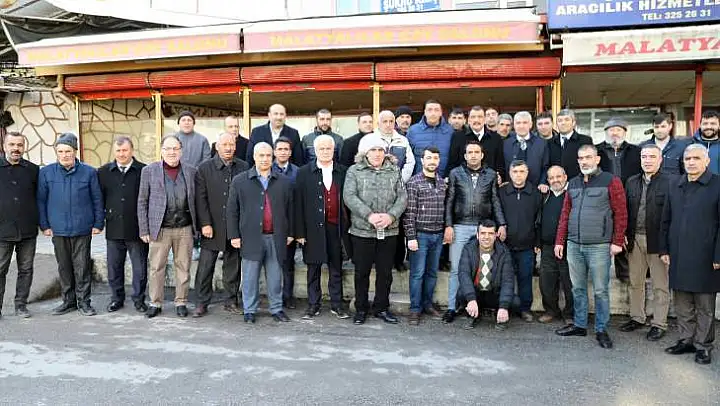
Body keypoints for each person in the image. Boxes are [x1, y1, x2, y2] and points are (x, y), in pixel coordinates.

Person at [555, 144, 627, 349]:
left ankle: (601, 329)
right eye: (581, 158)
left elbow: (621, 213)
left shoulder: (611, 181)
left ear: (597, 159)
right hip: (574, 245)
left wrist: (617, 241)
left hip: (599, 246)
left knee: (601, 290)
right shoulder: (573, 183)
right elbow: (565, 214)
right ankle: (579, 325)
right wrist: (560, 240)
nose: (584, 161)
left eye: (588, 157)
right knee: (577, 288)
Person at [661, 144, 720, 365]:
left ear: (707, 161)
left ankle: (703, 346)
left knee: (704, 306)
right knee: (682, 303)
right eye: (687, 159)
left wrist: (718, 255)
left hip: (706, 255)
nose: (691, 162)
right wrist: (664, 249)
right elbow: (666, 219)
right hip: (678, 253)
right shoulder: (675, 184)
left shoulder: (717, 184)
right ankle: (686, 340)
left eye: (696, 158)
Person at [38, 133, 104, 317]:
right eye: (60, 151)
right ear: (56, 152)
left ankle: (84, 302)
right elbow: (41, 201)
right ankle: (68, 301)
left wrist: (99, 223)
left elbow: (97, 199)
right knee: (64, 267)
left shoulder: (89, 172)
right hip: (58, 229)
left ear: (75, 151)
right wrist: (44, 225)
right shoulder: (46, 173)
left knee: (82, 267)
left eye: (68, 151)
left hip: (82, 228)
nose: (64, 155)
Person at [227, 142, 294, 324]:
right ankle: (249, 310)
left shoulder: (283, 182)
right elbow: (232, 210)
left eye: (268, 155)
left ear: (273, 157)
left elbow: (291, 210)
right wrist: (234, 235)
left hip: (276, 237)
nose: (265, 159)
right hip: (250, 237)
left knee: (275, 277)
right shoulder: (240, 181)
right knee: (249, 277)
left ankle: (277, 309)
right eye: (261, 155)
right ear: (254, 157)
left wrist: (290, 233)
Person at [344, 136, 407, 325]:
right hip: (362, 231)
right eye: (373, 150)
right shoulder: (354, 171)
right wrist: (369, 215)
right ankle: (361, 309)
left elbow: (402, 197)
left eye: (380, 150)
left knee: (385, 273)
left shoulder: (394, 170)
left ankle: (381, 308)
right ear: (365, 152)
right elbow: (349, 196)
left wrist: (391, 216)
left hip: (388, 231)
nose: (377, 154)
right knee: (361, 273)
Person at [444, 140, 506, 323]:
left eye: (476, 152)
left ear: (482, 155)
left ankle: (475, 306)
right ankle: (452, 307)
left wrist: (501, 224)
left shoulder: (491, 174)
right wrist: (448, 225)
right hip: (460, 226)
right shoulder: (455, 173)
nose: (473, 155)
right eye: (469, 152)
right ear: (465, 155)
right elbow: (450, 200)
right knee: (457, 268)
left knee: (480, 268)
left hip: (483, 228)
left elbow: (495, 200)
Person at [138, 135, 198, 319]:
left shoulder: (191, 171)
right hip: (160, 228)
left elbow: (196, 199)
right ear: (162, 151)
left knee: (184, 266)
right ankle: (155, 303)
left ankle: (181, 302)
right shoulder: (149, 171)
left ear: (181, 151)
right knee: (156, 267)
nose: (172, 152)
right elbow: (142, 201)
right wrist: (144, 229)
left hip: (185, 228)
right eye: (168, 149)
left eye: (175, 148)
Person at [192, 133, 249, 317]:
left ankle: (231, 300)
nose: (228, 148)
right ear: (217, 146)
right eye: (224, 144)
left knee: (233, 266)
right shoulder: (204, 168)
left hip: (235, 227)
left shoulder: (243, 167)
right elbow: (200, 199)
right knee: (205, 267)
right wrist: (205, 224)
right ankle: (201, 302)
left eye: (231, 144)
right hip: (212, 226)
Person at [294, 135, 350, 320]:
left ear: (334, 150)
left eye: (328, 148)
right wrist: (299, 232)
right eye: (322, 149)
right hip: (312, 230)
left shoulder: (343, 171)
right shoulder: (303, 172)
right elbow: (298, 204)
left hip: (336, 228)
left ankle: (337, 305)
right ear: (315, 151)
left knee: (336, 268)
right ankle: (313, 304)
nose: (325, 152)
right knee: (313, 269)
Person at [620, 144, 671, 341]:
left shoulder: (670, 182)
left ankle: (659, 323)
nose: (647, 160)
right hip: (635, 239)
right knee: (636, 282)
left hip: (658, 241)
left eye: (652, 156)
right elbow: (625, 210)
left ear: (660, 159)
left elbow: (673, 214)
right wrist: (623, 234)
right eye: (644, 156)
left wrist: (668, 243)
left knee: (660, 285)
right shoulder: (631, 181)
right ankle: (637, 317)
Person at [97, 136, 148, 313]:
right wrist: (100, 221)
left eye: (125, 150)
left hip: (137, 228)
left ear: (132, 150)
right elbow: (99, 199)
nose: (121, 154)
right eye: (118, 151)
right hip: (114, 228)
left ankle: (139, 300)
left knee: (140, 268)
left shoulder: (144, 170)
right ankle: (116, 299)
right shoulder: (103, 172)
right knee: (114, 268)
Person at [365, 110, 415, 271]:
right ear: (378, 123)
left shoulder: (403, 140)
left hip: (397, 188)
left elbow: (410, 163)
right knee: (376, 222)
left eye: (391, 121)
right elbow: (363, 162)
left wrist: (399, 180)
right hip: (374, 189)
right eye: (384, 121)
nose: (388, 124)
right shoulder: (370, 140)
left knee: (396, 224)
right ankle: (374, 259)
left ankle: (398, 260)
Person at [404, 146, 447, 325]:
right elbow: (409, 213)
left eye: (435, 158)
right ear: (422, 160)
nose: (432, 161)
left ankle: (428, 304)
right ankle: (415, 309)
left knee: (432, 273)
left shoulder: (442, 183)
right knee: (417, 273)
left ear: (439, 161)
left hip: (438, 235)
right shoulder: (414, 183)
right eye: (429, 158)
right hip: (420, 235)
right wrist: (411, 237)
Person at [596, 117, 641, 281]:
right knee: (604, 231)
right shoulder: (596, 151)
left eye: (618, 129)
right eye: (611, 130)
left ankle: (624, 273)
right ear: (606, 132)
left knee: (624, 230)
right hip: (603, 197)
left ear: (625, 132)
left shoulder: (636, 151)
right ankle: (600, 273)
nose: (615, 133)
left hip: (630, 197)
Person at [0, 132, 39, 319]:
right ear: (4, 146)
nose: (16, 148)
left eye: (20, 145)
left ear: (24, 147)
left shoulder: (33, 170)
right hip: (2, 230)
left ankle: (21, 305)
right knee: (0, 270)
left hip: (27, 229)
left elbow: (39, 197)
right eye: (12, 144)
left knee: (26, 269)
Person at [498, 160, 542, 322]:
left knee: (525, 278)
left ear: (527, 173)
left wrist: (537, 242)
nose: (518, 175)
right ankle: (503, 307)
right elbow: (496, 213)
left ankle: (525, 309)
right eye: (515, 172)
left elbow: (539, 220)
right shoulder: (502, 192)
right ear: (510, 173)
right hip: (505, 245)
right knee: (504, 278)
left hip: (527, 246)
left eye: (522, 172)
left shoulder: (535, 193)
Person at [458, 220, 515, 330]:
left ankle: (499, 315)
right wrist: (471, 299)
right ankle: (473, 314)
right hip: (476, 292)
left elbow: (508, 280)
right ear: (477, 235)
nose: (486, 237)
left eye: (490, 233)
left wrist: (503, 306)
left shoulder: (504, 252)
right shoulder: (468, 248)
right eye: (483, 233)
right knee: (462, 294)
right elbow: (463, 274)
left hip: (494, 292)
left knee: (514, 302)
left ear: (496, 235)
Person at [537, 166, 573, 325]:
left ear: (565, 177)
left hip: (567, 247)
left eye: (558, 176)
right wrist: (538, 242)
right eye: (551, 178)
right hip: (547, 247)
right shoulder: (544, 196)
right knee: (546, 282)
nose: (555, 180)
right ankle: (551, 310)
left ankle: (570, 314)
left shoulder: (572, 194)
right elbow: (537, 220)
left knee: (569, 282)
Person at [272, 137, 300, 309]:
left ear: (290, 152)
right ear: (274, 152)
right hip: (270, 224)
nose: (283, 152)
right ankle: (273, 296)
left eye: (286, 149)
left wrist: (293, 231)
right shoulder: (267, 169)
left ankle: (287, 297)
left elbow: (298, 203)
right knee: (271, 263)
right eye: (280, 149)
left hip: (289, 224)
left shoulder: (297, 172)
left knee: (288, 264)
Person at [447, 105, 505, 178]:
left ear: (485, 120)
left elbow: (500, 164)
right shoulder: (458, 137)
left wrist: (500, 177)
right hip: (464, 182)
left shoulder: (496, 138)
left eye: (480, 117)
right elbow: (452, 163)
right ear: (469, 120)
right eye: (473, 117)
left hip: (489, 182)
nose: (476, 120)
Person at [503, 111, 549, 191]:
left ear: (530, 124)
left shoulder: (542, 143)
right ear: (514, 125)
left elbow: (546, 166)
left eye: (525, 123)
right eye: (518, 123)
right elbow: (502, 166)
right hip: (511, 190)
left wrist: (543, 182)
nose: (521, 126)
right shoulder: (506, 143)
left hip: (535, 189)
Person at [407, 99, 454, 177]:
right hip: (419, 180)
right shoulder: (413, 131)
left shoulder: (450, 131)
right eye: (430, 110)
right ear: (425, 112)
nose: (433, 113)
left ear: (441, 112)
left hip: (444, 179)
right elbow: (408, 158)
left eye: (436, 110)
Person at [549, 109, 593, 180]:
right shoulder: (550, 143)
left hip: (579, 183)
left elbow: (590, 163)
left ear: (573, 123)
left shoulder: (585, 141)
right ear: (556, 124)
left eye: (567, 120)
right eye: (560, 120)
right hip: (556, 183)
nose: (563, 123)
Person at [690, 110, 719, 175]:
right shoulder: (690, 144)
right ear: (700, 125)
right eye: (705, 123)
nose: (708, 127)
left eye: (713, 123)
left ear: (719, 126)